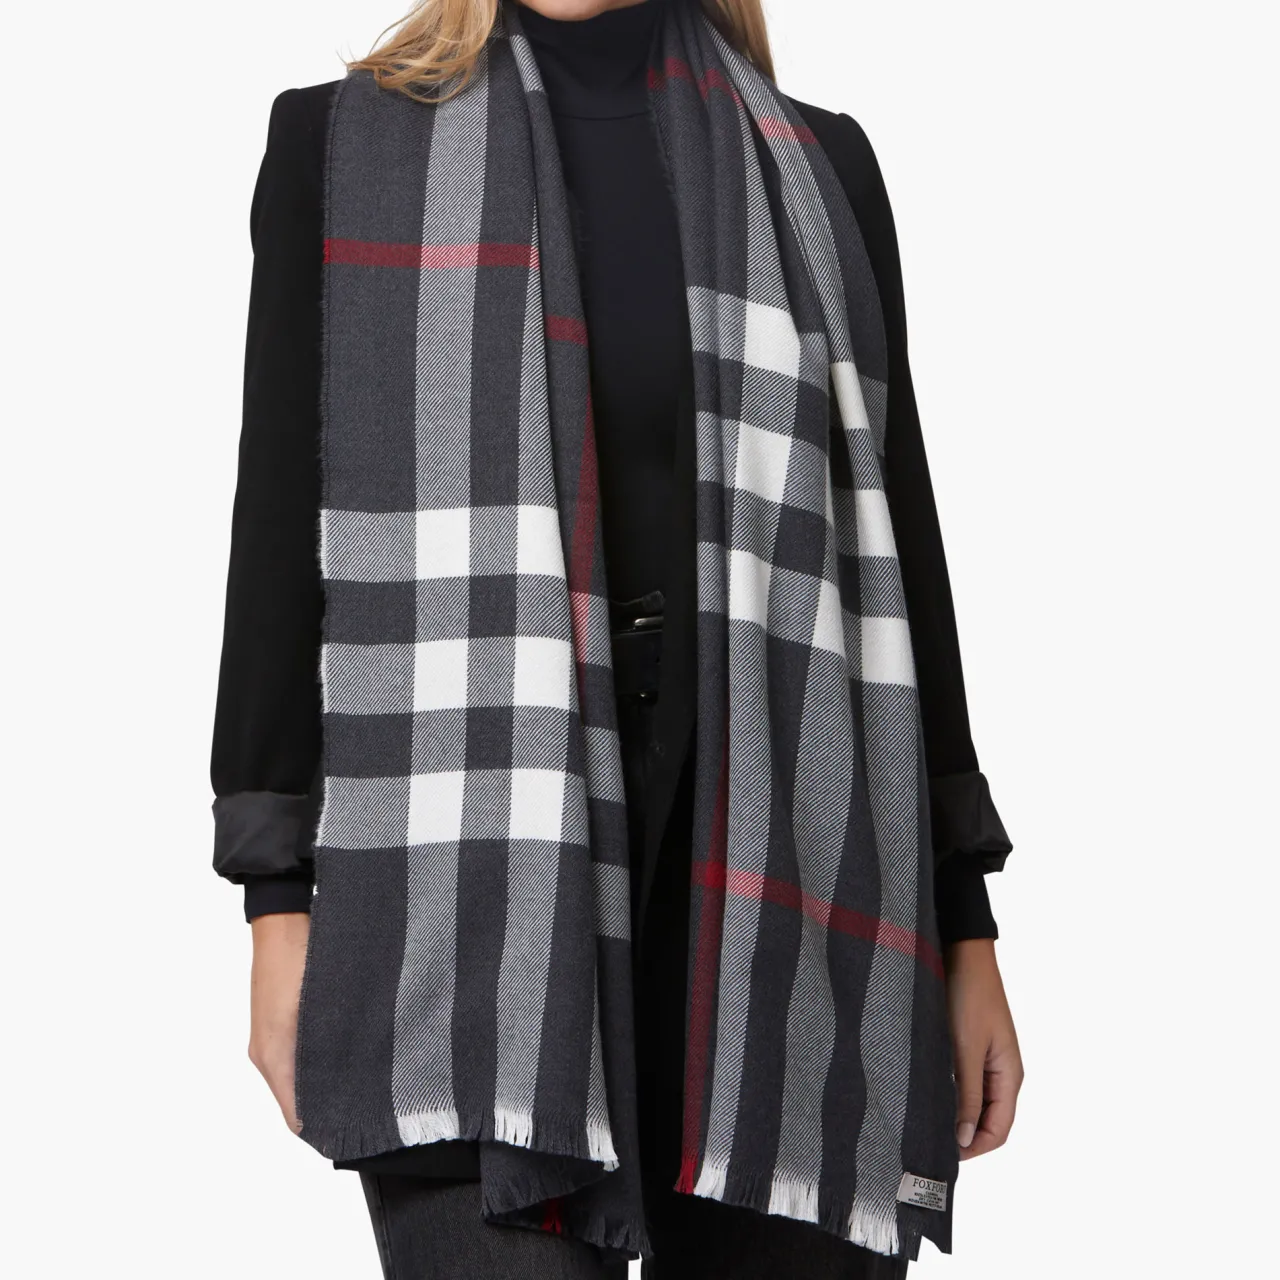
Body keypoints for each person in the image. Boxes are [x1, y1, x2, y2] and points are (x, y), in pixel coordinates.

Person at [211, 1, 1024, 1276]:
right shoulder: (341, 146)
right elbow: (280, 537)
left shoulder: (818, 165)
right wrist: (275, 901)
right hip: (467, 881)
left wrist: (963, 927)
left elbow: (895, 553)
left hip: (785, 894)